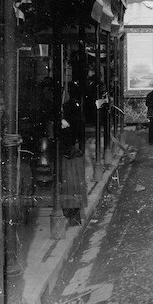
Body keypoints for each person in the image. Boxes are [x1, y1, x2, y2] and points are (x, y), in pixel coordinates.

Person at [60, 82, 87, 226]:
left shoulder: (68, 108)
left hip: (70, 152)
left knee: (70, 186)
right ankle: (74, 217)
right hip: (74, 151)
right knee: (74, 186)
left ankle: (72, 216)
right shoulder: (74, 106)